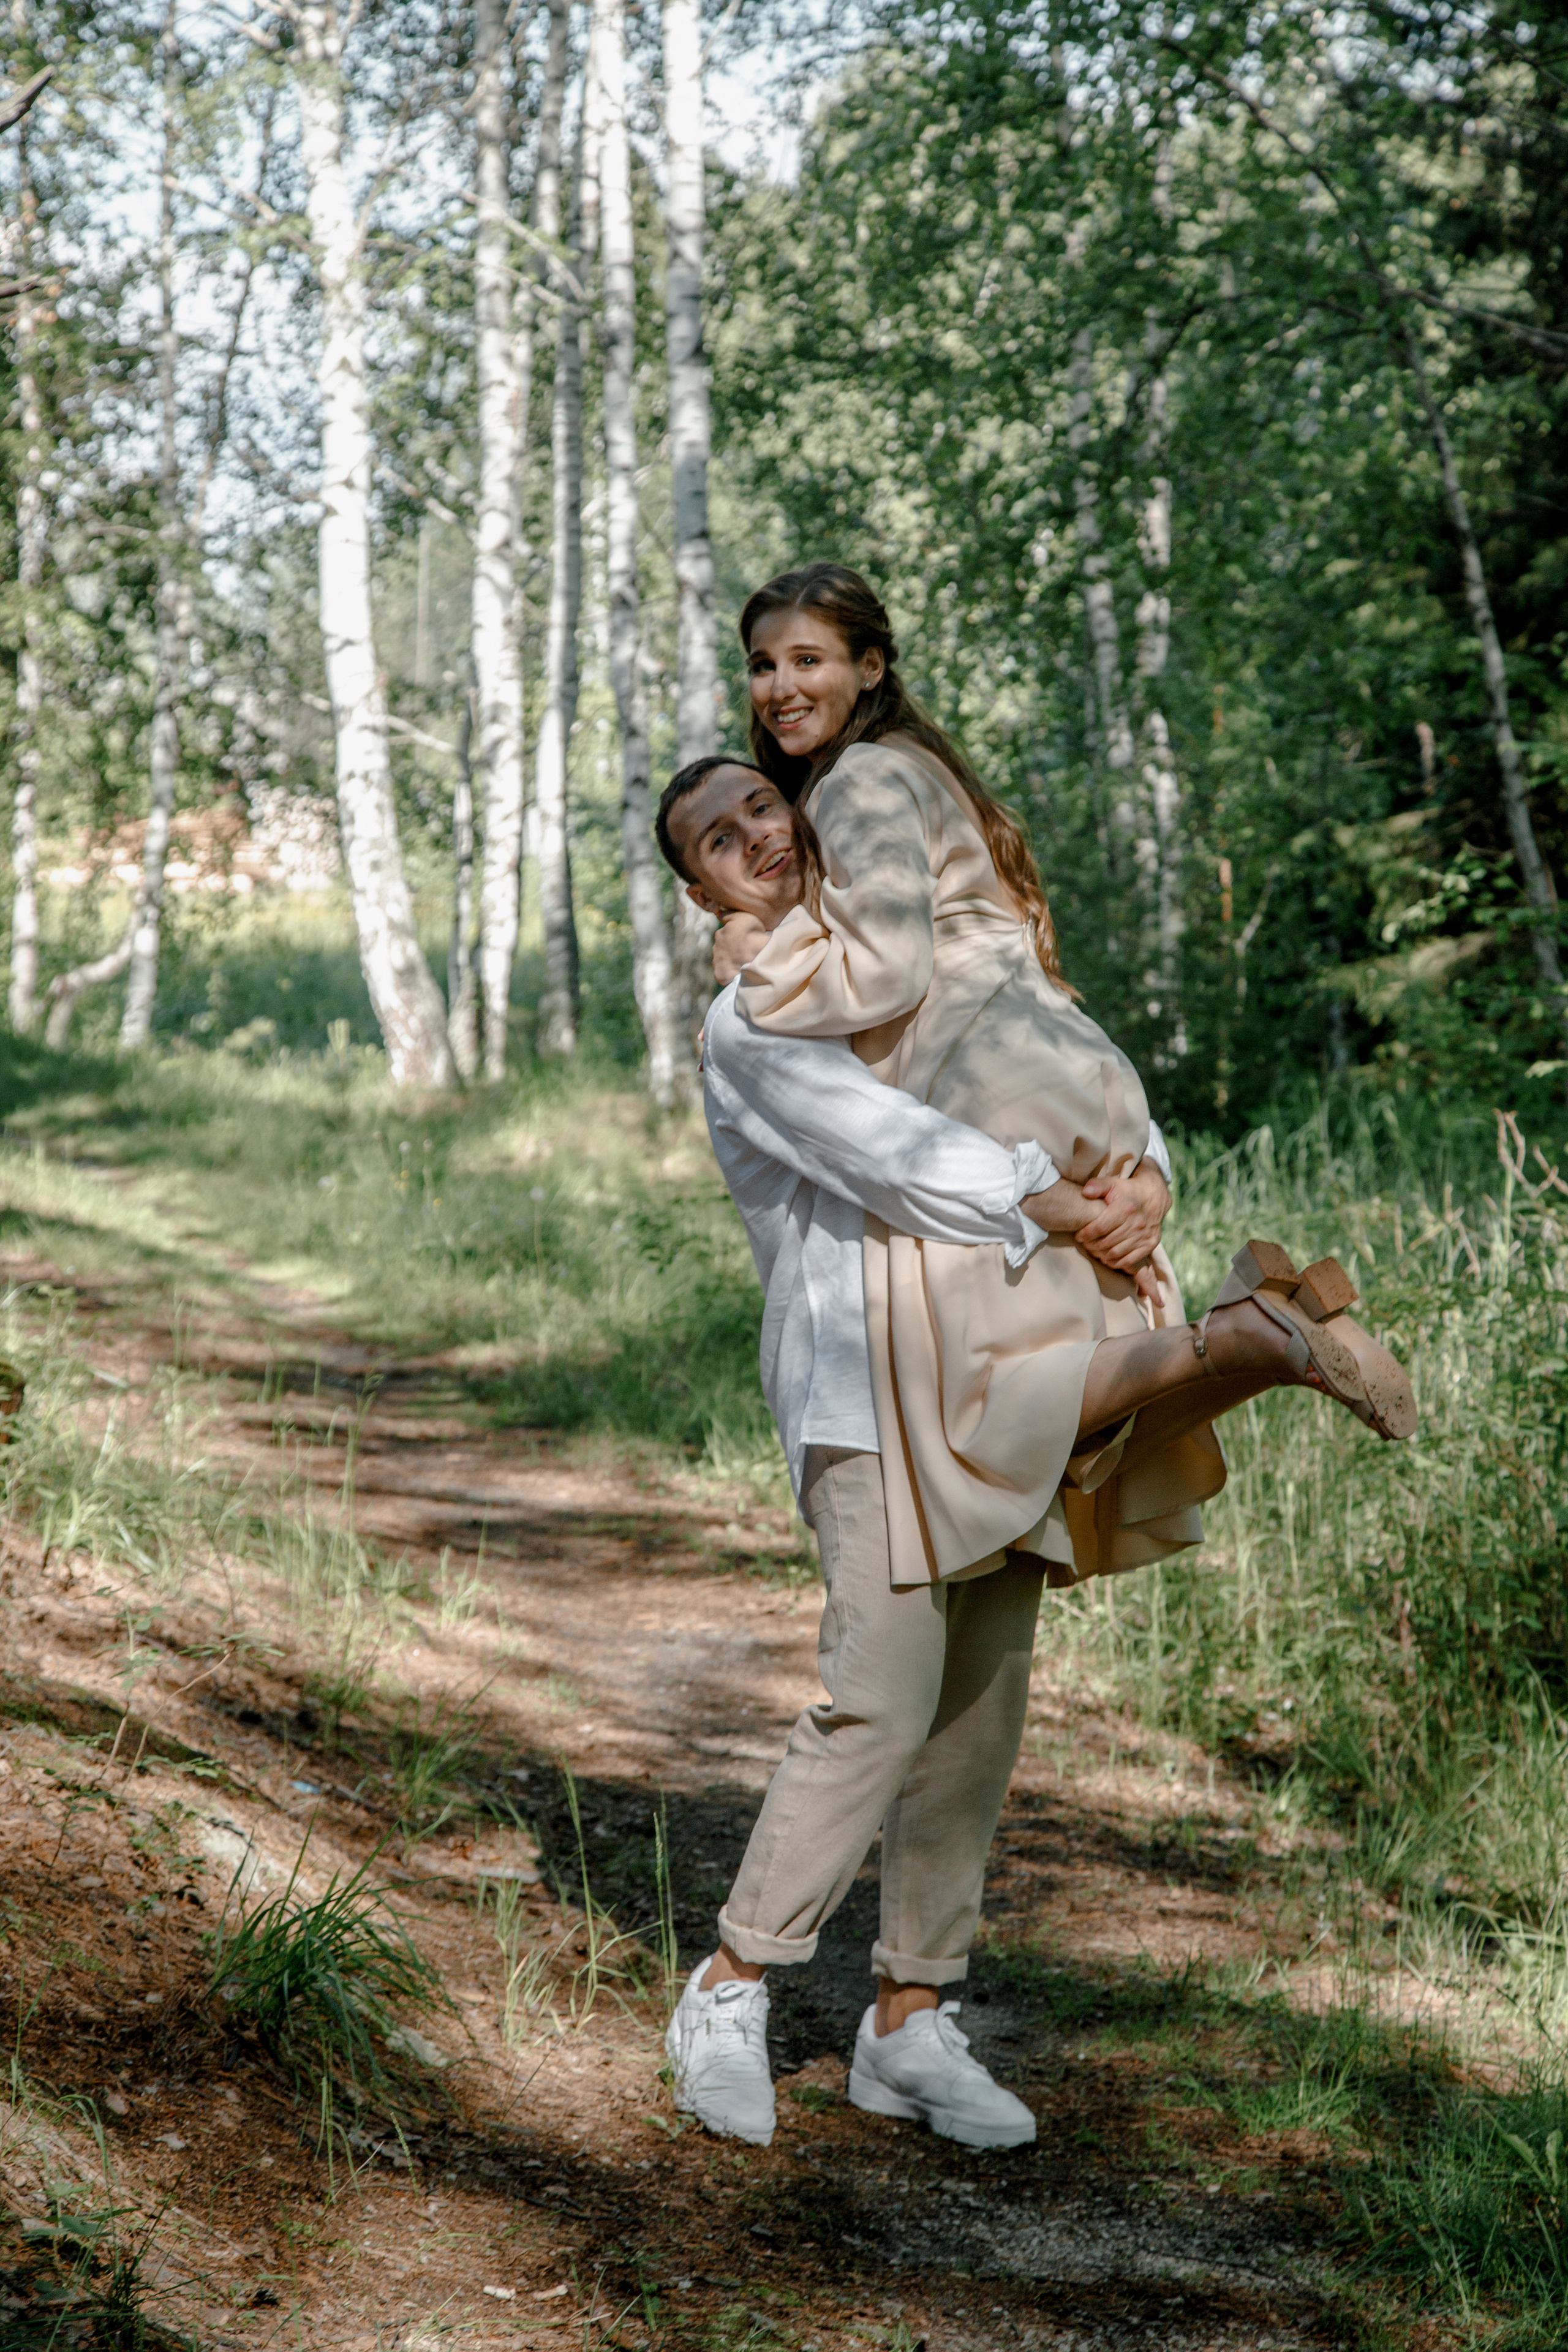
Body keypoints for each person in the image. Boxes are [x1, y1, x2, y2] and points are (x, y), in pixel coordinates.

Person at [654, 755, 1411, 2153]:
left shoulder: (906, 966)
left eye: (762, 808)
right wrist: (1066, 1206)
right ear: (700, 892)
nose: (753, 836)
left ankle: (907, 2024)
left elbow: (1041, 1056)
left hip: (988, 1367)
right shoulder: (753, 1021)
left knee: (979, 1710)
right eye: (715, 838)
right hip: (861, 1394)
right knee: (879, 1702)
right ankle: (730, 1986)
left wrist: (1144, 1177)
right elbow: (899, 1155)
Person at [723, 565, 1415, 1597]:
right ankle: (1255, 1335)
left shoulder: (857, 779)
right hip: (1069, 1067)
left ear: (870, 667)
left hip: (983, 1086)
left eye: (807, 660)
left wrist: (762, 963)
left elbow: (886, 973)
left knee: (984, 1404)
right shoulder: (927, 769)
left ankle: (1247, 1340)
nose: (781, 687)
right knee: (1086, 1375)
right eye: (763, 664)